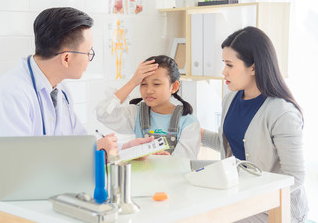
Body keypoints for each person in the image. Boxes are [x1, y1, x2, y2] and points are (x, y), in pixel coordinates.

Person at [0, 7, 154, 189]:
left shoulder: (61, 91)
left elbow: (79, 143)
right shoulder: (9, 95)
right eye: (89, 53)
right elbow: (15, 167)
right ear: (66, 58)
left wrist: (123, 150)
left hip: (47, 192)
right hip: (4, 207)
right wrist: (93, 151)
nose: (89, 60)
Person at [201, 26, 308, 222]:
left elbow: (295, 176)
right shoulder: (230, 98)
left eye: (229, 65)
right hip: (243, 198)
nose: (223, 71)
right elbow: (231, 144)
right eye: (224, 63)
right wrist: (196, 133)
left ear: (253, 67)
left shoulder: (282, 112)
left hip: (275, 207)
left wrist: (252, 196)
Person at [96, 55, 201, 159]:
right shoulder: (136, 114)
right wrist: (133, 82)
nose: (149, 90)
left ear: (174, 87)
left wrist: (166, 161)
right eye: (143, 84)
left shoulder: (188, 122)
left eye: (156, 84)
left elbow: (185, 163)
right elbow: (104, 114)